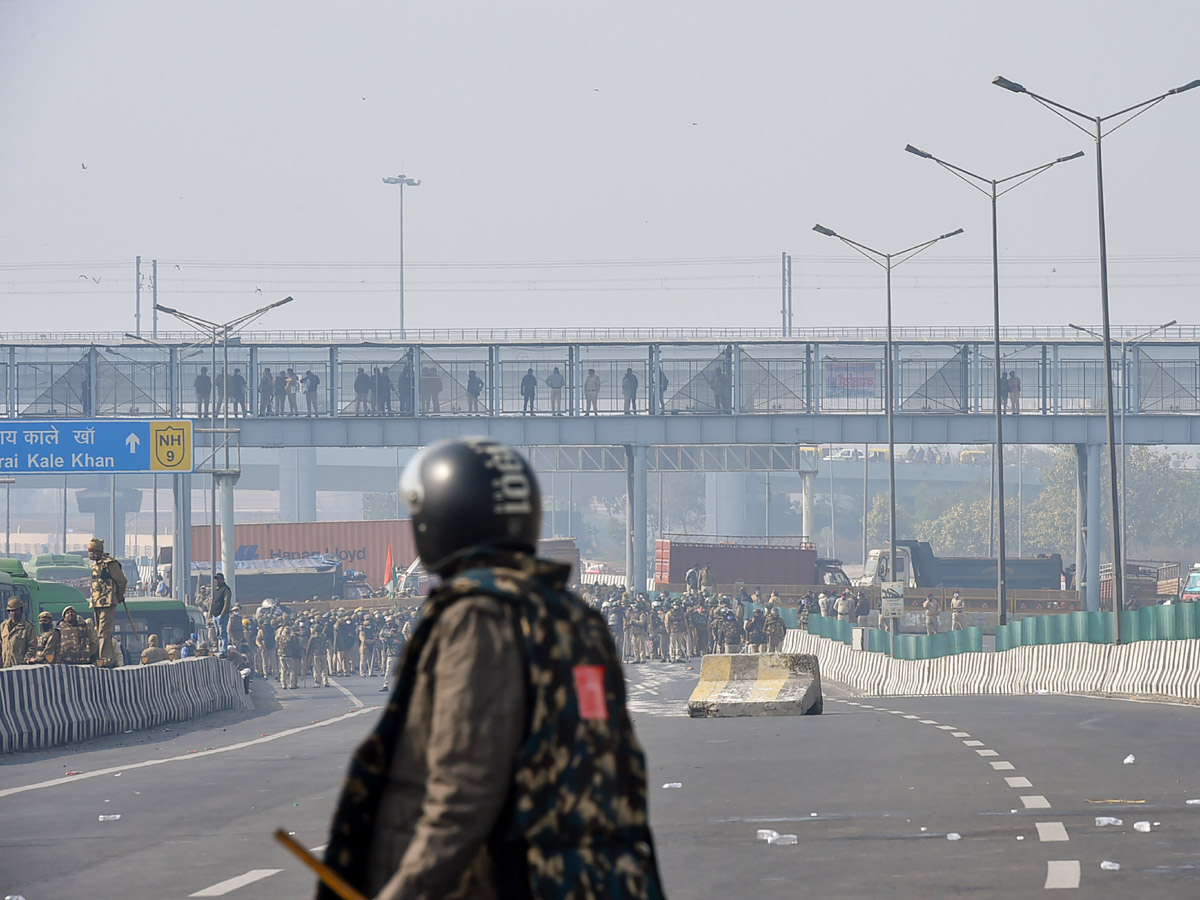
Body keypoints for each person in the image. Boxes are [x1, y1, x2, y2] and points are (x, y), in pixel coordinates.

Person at [316, 437, 665, 900]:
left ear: (442, 518)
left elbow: (464, 794)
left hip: (517, 880)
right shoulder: (575, 616)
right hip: (608, 877)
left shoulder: (478, 617)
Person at [87, 538, 127, 667]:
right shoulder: (95, 565)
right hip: (97, 602)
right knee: (99, 631)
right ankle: (103, 656)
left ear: (99, 551)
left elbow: (121, 581)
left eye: (92, 551)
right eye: (89, 551)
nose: (90, 554)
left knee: (104, 631)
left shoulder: (110, 564)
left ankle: (105, 659)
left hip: (108, 601)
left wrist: (119, 595)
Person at [2, 597, 37, 667]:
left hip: (20, 668)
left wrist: (24, 662)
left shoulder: (28, 627)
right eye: (11, 611)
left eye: (16, 610)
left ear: (21, 610)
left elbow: (32, 647)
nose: (14, 613)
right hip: (4, 666)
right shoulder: (3, 626)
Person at [210, 572, 232, 654]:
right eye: (216, 579)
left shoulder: (226, 590)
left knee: (223, 634)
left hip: (221, 615)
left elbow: (227, 603)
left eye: (218, 579)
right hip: (215, 614)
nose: (216, 581)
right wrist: (211, 613)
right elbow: (213, 602)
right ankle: (219, 649)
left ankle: (224, 650)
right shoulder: (216, 590)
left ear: (222, 580)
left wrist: (222, 615)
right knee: (218, 634)